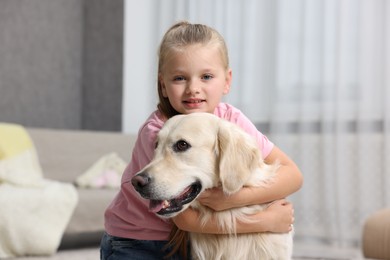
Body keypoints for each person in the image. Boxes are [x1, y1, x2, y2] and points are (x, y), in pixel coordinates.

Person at [101, 21, 303, 260]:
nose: (193, 89)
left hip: (186, 242)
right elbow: (186, 220)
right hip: (136, 241)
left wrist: (230, 200)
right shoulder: (157, 131)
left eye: (206, 76)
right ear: (163, 85)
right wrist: (265, 221)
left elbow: (292, 175)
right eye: (179, 78)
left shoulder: (230, 120)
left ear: (227, 80)